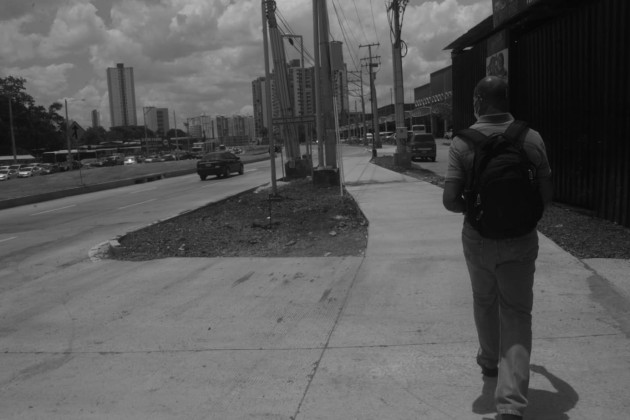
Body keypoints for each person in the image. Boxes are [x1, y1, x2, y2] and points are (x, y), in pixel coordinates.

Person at [442, 76, 553, 420]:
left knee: (484, 299)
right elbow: (545, 196)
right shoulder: (531, 138)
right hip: (521, 240)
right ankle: (510, 404)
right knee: (517, 314)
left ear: (479, 101)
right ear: (505, 100)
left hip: (478, 240)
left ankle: (490, 362)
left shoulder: (462, 144)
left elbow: (449, 200)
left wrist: (474, 210)